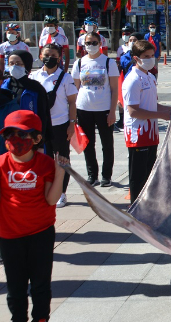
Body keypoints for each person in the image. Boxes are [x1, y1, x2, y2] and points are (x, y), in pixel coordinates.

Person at [0, 110, 65, 322]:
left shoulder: (46, 164)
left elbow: (51, 200)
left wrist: (59, 174)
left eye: (22, 134)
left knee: (40, 284)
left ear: (36, 139)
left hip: (40, 233)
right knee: (15, 286)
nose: (15, 139)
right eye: (10, 134)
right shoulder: (1, 164)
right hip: (9, 236)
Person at [122, 40, 171, 203]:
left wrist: (170, 110)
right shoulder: (133, 80)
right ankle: (136, 208)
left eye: (152, 56)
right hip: (138, 134)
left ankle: (147, 205)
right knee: (138, 176)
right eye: (146, 57)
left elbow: (152, 104)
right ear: (136, 58)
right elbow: (133, 111)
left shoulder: (149, 76)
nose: (151, 59)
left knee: (149, 172)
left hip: (151, 133)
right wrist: (161, 115)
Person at [33, 43, 78, 208]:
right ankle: (45, 190)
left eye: (53, 55)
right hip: (41, 126)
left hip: (60, 124)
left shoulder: (65, 77)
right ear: (40, 56)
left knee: (62, 159)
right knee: (43, 159)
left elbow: (72, 103)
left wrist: (72, 124)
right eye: (46, 55)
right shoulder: (35, 76)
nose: (49, 58)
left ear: (60, 58)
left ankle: (61, 192)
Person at [72, 31, 119, 187]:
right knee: (88, 144)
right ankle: (92, 175)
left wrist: (112, 111)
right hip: (83, 108)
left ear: (100, 44)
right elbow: (75, 89)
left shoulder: (108, 63)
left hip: (104, 109)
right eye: (88, 43)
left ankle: (107, 176)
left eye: (94, 42)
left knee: (107, 143)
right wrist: (72, 113)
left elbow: (114, 89)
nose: (90, 46)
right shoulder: (79, 63)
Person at [1, 50, 54, 153]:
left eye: (19, 64)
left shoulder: (36, 88)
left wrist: (39, 143)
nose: (14, 66)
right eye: (11, 63)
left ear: (27, 65)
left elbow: (43, 116)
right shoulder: (4, 86)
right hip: (7, 140)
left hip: (29, 139)